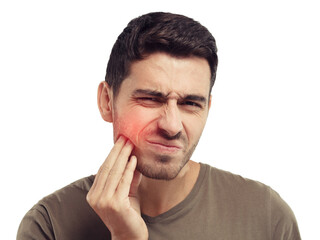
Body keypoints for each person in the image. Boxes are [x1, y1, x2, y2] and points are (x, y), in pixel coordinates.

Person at [17, 12, 301, 240]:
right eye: (151, 99)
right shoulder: (49, 224)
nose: (172, 125)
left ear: (208, 108)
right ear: (107, 101)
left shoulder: (267, 217)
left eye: (191, 103)